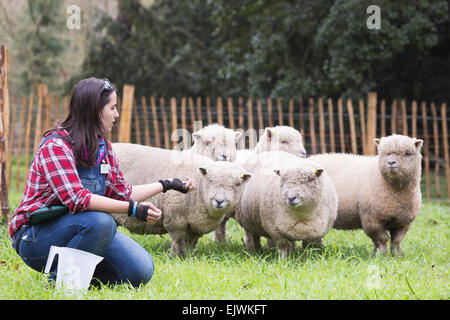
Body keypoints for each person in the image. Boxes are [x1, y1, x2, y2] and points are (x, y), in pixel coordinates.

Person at [9, 77, 196, 287]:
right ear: (96, 110)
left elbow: (122, 193)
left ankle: (79, 276)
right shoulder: (56, 146)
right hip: (36, 237)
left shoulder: (103, 148)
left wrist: (167, 184)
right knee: (102, 221)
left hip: (86, 231)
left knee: (140, 270)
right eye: (113, 108)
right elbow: (77, 199)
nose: (116, 114)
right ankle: (61, 284)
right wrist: (133, 210)